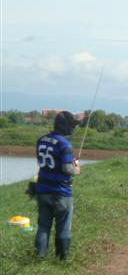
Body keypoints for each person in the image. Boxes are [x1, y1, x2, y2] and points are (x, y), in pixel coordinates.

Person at [34, 111, 81, 260]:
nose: (73, 128)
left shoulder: (41, 140)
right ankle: (62, 260)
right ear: (64, 126)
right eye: (71, 125)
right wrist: (77, 169)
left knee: (43, 226)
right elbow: (67, 169)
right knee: (63, 227)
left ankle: (39, 258)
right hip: (61, 192)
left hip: (42, 190)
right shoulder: (64, 144)